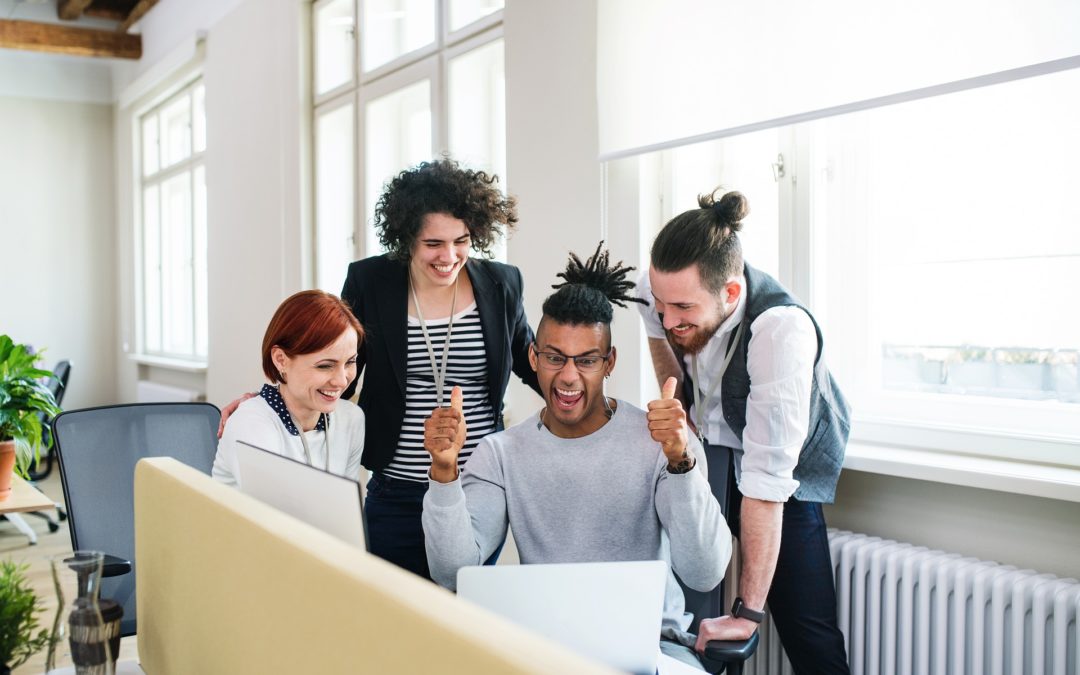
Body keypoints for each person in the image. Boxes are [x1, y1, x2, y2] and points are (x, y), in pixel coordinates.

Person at [422, 243, 730, 670]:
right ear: (534, 357)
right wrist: (443, 472)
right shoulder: (500, 453)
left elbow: (705, 572)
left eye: (586, 360)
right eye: (553, 358)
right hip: (546, 649)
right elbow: (452, 572)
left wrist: (681, 463)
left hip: (653, 647)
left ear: (609, 363)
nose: (568, 376)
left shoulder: (662, 442)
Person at [638, 189, 851, 674]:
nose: (668, 320)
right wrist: (683, 409)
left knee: (809, 628)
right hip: (709, 451)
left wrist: (748, 613)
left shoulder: (781, 332)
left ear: (730, 294)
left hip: (781, 472)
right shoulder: (662, 288)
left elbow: (766, 480)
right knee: (692, 617)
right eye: (660, 304)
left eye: (683, 310)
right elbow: (658, 335)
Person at [338, 158, 541, 578]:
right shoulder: (370, 282)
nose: (449, 257)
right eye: (433, 243)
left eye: (461, 241)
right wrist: (274, 404)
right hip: (396, 487)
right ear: (406, 236)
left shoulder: (502, 284)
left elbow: (535, 365)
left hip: (478, 487)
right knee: (394, 613)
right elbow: (335, 370)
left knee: (462, 609)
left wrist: (602, 410)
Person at [213, 290, 365, 486]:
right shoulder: (251, 424)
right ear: (280, 359)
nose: (342, 381)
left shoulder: (351, 419)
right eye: (325, 365)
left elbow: (346, 510)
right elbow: (273, 514)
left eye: (350, 362)